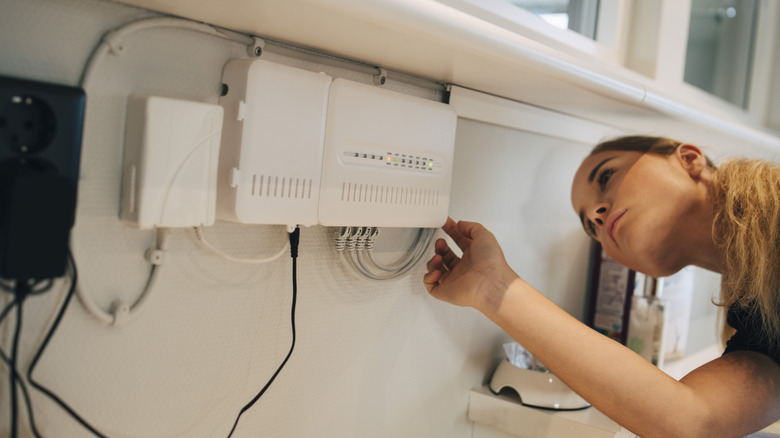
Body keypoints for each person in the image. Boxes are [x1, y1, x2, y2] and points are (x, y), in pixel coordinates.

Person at [424, 136, 780, 437]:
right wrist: (491, 286)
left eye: (607, 176)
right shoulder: (759, 322)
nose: (596, 214)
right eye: (590, 228)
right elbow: (693, 419)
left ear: (689, 159)